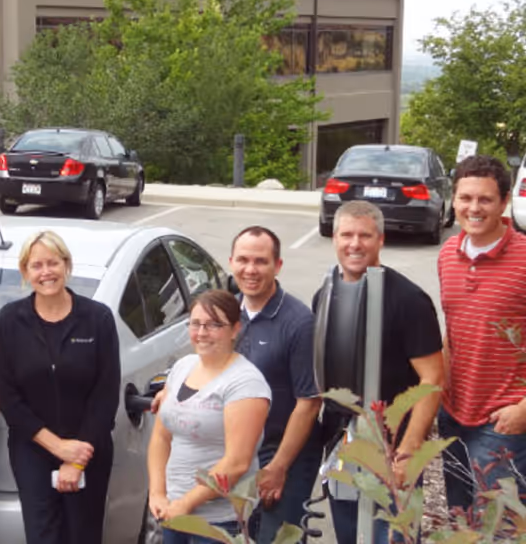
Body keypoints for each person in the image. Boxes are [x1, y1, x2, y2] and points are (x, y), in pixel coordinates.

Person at [313, 200, 444, 544]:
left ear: (381, 240)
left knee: (392, 537)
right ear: (334, 237)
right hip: (342, 442)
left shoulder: (409, 301)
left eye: (365, 236)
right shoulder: (325, 296)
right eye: (346, 235)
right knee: (347, 534)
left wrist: (409, 452)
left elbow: (433, 380)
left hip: (392, 447)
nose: (354, 244)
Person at [0, 230, 120, 544]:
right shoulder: (11, 320)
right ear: (25, 272)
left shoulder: (97, 319)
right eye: (36, 265)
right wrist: (56, 446)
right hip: (32, 449)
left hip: (88, 449)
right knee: (42, 536)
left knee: (83, 535)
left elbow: (105, 394)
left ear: (67, 265)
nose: (45, 272)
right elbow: (8, 396)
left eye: (53, 263)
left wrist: (75, 458)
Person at [437, 155, 526, 514]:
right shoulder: (447, 253)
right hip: (453, 414)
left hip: (503, 422)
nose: (474, 208)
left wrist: (523, 409)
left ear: (504, 202)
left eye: (485, 199)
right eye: (466, 198)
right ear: (454, 200)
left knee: (502, 527)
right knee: (460, 519)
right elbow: (452, 332)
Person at [147, 289, 272, 544]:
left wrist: (186, 502)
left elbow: (236, 463)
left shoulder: (245, 383)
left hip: (220, 521)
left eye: (214, 325)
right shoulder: (183, 367)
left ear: (235, 329)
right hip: (173, 511)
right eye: (195, 324)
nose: (202, 332)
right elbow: (161, 437)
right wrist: (158, 493)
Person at [229, 226, 321, 544]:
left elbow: (309, 403)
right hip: (239, 452)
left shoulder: (299, 322)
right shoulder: (227, 314)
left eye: (261, 261)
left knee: (276, 539)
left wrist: (278, 467)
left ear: (277, 266)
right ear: (231, 263)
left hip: (283, 453)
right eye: (243, 260)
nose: (250, 269)